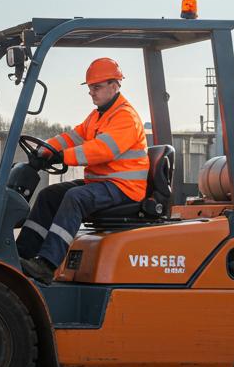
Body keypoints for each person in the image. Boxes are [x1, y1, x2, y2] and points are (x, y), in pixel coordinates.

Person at [16, 58, 149, 285]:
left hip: (123, 188)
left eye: (96, 87)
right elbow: (72, 137)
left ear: (115, 85)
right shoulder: (97, 116)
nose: (92, 93)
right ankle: (21, 254)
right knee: (50, 195)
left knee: (74, 198)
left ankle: (46, 265)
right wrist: (46, 150)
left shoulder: (125, 117)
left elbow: (103, 150)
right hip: (102, 184)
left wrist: (64, 156)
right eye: (90, 88)